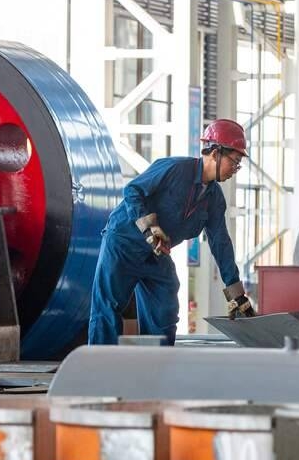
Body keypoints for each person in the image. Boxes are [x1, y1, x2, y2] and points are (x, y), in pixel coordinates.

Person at [88, 118, 256, 346]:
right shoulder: (175, 168)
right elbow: (133, 190)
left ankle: (157, 362)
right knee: (108, 308)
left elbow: (220, 243)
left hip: (156, 252)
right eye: (234, 161)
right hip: (124, 244)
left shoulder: (214, 199)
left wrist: (236, 292)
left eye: (238, 165)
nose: (235, 170)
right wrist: (149, 227)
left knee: (164, 308)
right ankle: (99, 365)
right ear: (215, 153)